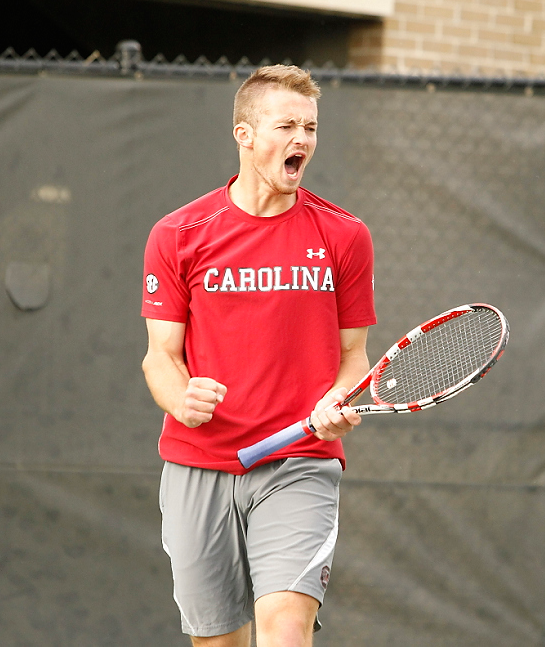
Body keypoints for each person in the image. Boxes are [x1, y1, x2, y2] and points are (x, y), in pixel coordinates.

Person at [141, 64, 376, 647]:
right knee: (218, 641)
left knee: (285, 628)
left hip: (300, 459)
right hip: (199, 463)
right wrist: (182, 398)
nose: (302, 140)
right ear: (244, 135)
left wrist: (338, 399)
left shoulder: (345, 236)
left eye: (311, 128)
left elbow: (355, 354)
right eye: (286, 126)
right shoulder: (177, 234)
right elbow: (160, 357)